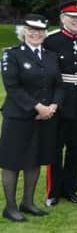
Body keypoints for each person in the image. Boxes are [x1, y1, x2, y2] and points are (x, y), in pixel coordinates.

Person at [0, 15, 63, 222]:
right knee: (12, 161)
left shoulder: (51, 56)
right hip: (18, 117)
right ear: (23, 31)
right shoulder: (12, 54)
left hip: (44, 118)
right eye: (31, 30)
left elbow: (58, 85)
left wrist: (53, 105)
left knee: (34, 159)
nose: (36, 34)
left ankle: (28, 202)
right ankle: (10, 207)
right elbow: (13, 87)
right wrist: (38, 107)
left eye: (40, 31)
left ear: (45, 33)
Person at [43, 0, 77, 207]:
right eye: (73, 17)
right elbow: (47, 73)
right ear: (62, 18)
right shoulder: (51, 41)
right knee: (55, 147)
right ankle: (53, 191)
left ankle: (70, 189)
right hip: (58, 99)